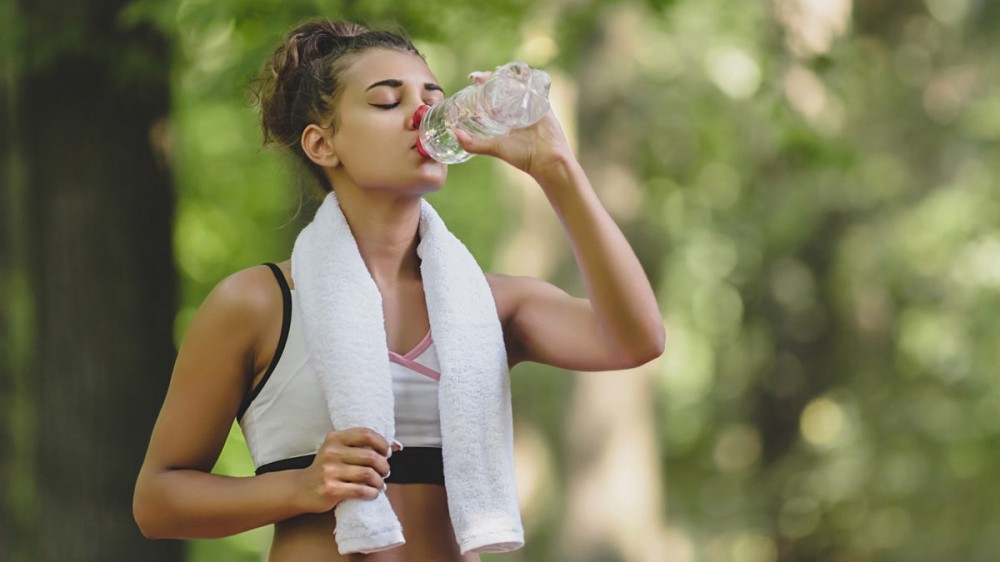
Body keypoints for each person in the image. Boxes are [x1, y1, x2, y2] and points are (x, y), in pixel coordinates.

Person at [133, 17, 664, 562]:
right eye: (388, 102)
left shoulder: (491, 305)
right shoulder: (258, 303)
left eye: (432, 97)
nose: (421, 114)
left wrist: (557, 169)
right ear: (322, 144)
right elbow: (158, 501)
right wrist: (301, 487)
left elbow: (636, 341)